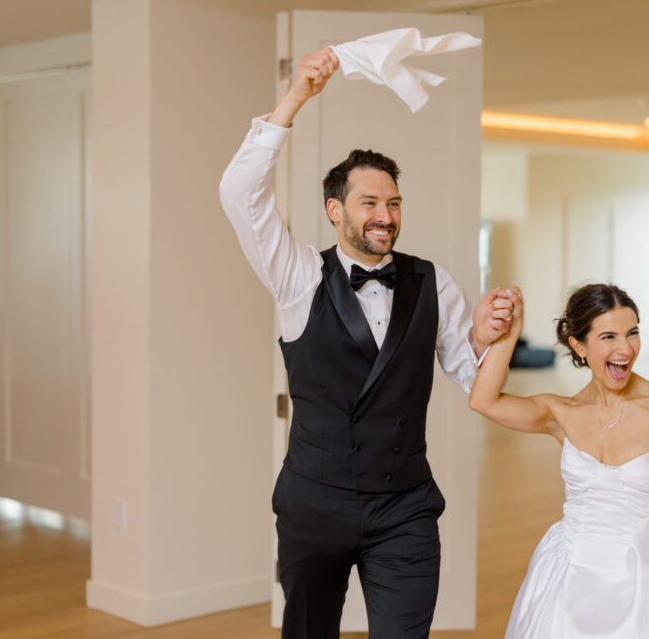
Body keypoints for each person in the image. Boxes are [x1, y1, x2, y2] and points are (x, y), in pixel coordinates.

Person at [219, 47, 514, 639]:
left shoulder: (432, 282)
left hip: (405, 507)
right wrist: (297, 96)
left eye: (394, 203)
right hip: (314, 503)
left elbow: (471, 376)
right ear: (335, 210)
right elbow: (239, 192)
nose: (386, 215)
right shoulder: (298, 275)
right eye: (370, 203)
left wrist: (487, 339)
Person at [469, 284, 649, 638]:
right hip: (571, 573)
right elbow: (483, 401)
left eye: (632, 333)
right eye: (609, 337)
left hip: (646, 581)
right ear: (579, 346)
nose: (625, 349)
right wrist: (511, 332)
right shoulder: (562, 413)